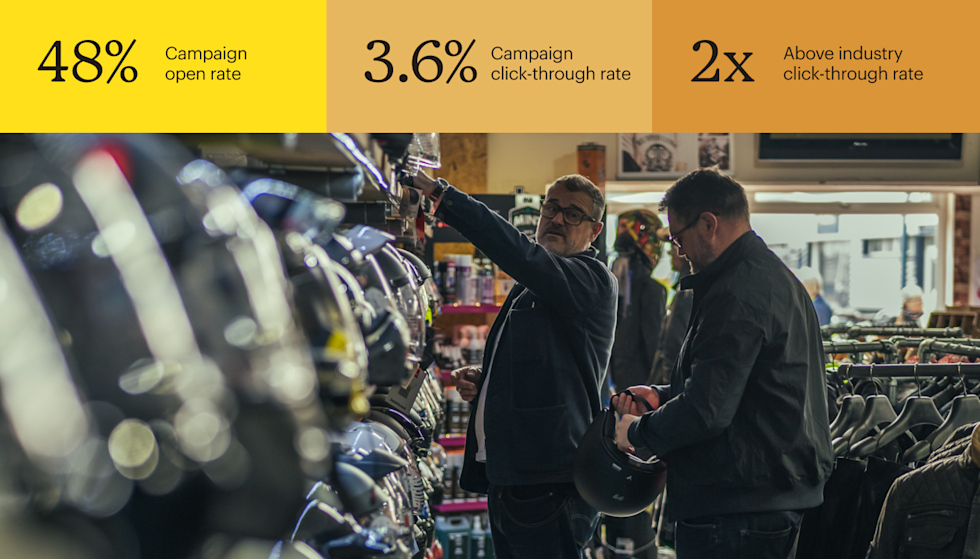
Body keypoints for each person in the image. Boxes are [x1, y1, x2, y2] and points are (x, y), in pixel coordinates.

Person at [611, 167, 833, 559]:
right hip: (760, 499)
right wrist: (665, 394)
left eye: (678, 238)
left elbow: (707, 411)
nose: (678, 251)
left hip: (738, 508)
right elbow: (742, 386)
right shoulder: (771, 277)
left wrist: (636, 431)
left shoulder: (737, 292)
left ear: (709, 223)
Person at [413, 171, 616, 559]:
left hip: (549, 483)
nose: (556, 219)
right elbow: (541, 367)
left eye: (573, 215)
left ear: (595, 231)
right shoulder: (533, 287)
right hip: (514, 478)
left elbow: (520, 253)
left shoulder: (592, 280)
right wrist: (487, 382)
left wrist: (444, 196)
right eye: (551, 208)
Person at [609, 209, 667, 391]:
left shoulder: (609, 279)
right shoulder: (651, 288)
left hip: (613, 382)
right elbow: (654, 343)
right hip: (643, 387)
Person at [649, 243, 694, 385]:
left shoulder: (685, 292)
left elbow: (673, 341)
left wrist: (669, 383)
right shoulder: (690, 287)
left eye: (674, 249)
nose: (670, 254)